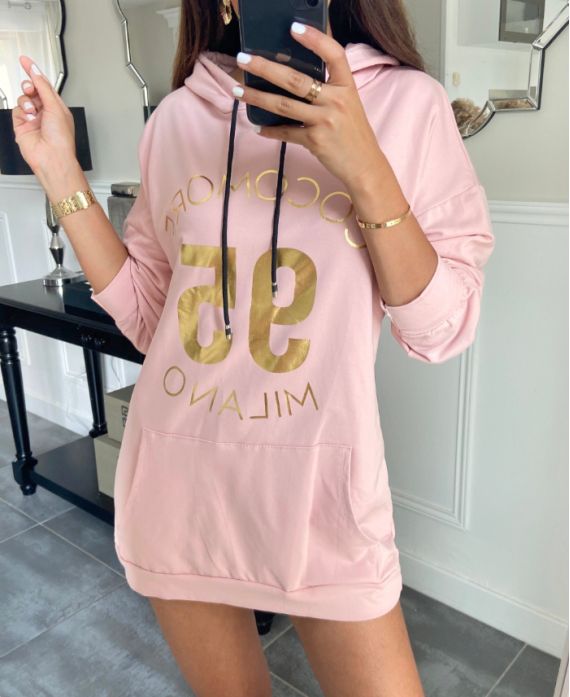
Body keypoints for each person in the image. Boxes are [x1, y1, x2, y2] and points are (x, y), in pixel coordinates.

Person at [12, 0, 495, 695]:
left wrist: (366, 166)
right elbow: (151, 319)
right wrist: (60, 172)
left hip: (320, 500)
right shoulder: (176, 120)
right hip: (178, 488)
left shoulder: (408, 105)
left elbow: (440, 329)